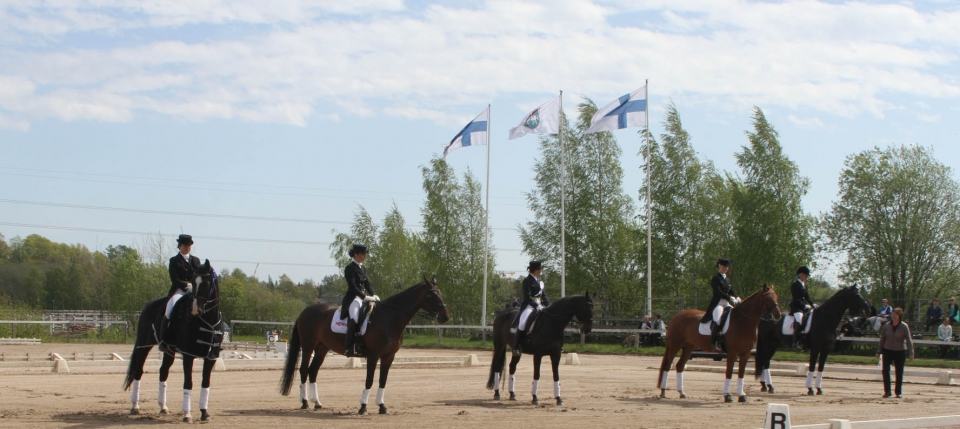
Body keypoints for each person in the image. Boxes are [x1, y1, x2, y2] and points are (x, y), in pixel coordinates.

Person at [162, 234, 201, 345]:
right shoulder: (174, 261)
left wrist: (194, 286)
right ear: (179, 246)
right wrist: (187, 285)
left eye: (189, 245)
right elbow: (175, 279)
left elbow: (199, 277)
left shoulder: (196, 261)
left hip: (194, 292)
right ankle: (164, 338)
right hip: (179, 291)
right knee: (170, 309)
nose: (187, 247)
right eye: (184, 245)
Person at [341, 244, 379, 357]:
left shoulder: (363, 268)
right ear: (356, 254)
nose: (365, 256)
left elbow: (367, 284)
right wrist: (364, 297)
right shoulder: (349, 268)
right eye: (363, 254)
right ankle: (349, 347)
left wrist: (374, 295)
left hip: (364, 297)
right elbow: (353, 286)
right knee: (355, 316)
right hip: (353, 298)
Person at [700, 258, 739, 351]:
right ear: (719, 266)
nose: (726, 268)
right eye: (724, 266)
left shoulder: (727, 279)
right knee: (717, 319)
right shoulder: (715, 278)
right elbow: (718, 292)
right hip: (718, 303)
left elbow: (731, 291)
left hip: (726, 304)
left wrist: (736, 297)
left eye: (727, 267)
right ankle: (715, 342)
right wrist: (729, 297)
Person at [513, 261, 549, 356]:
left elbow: (543, 296)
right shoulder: (527, 281)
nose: (541, 271)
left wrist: (548, 305)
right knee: (523, 322)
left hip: (540, 305)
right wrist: (536, 305)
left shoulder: (539, 281)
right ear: (536, 270)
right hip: (529, 306)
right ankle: (516, 346)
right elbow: (527, 297)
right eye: (540, 269)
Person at [877, 308, 914, 399]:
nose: (893, 316)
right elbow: (882, 339)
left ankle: (898, 392)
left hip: (900, 351)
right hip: (887, 350)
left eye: (895, 314)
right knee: (885, 371)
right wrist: (879, 351)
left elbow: (909, 340)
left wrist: (911, 353)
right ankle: (887, 392)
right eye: (892, 314)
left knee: (899, 372)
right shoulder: (886, 326)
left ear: (899, 316)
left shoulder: (904, 326)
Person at [789, 266, 815, 344]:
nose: (806, 277)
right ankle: (795, 340)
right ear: (800, 275)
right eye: (805, 275)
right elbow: (796, 299)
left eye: (807, 275)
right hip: (796, 307)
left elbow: (807, 297)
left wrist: (812, 304)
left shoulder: (804, 285)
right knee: (799, 319)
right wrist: (804, 306)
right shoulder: (795, 284)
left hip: (803, 307)